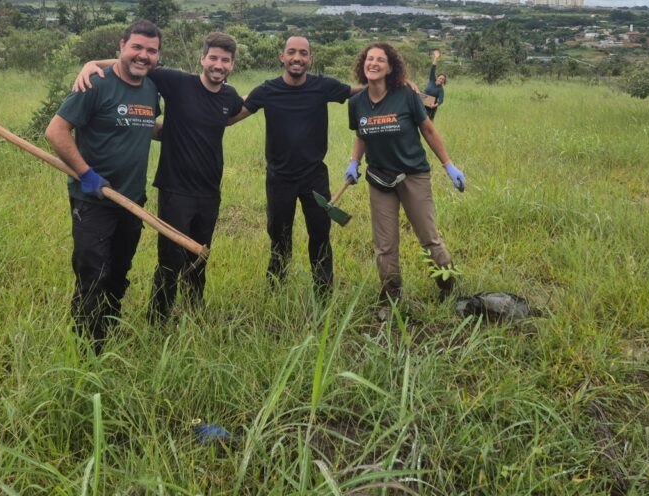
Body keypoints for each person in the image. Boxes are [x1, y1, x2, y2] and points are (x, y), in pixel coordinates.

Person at [73, 32, 243, 323]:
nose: (218, 64)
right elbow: (136, 62)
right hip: (175, 189)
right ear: (202, 59)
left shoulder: (230, 98)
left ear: (232, 65)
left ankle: (194, 310)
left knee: (200, 256)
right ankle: (158, 318)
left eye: (225, 60)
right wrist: (92, 62)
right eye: (213, 57)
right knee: (171, 259)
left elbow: (228, 117)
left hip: (210, 191)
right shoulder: (177, 83)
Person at [46, 20, 162, 353]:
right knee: (92, 275)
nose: (142, 56)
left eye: (151, 50)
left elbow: (144, 123)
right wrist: (87, 175)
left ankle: (107, 333)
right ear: (121, 45)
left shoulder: (152, 86)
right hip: (93, 200)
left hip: (132, 200)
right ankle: (85, 350)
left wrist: (173, 133)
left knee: (119, 272)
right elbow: (56, 132)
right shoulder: (95, 83)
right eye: (136, 47)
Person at [228, 35, 355, 297]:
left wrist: (397, 84)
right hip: (279, 179)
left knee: (320, 235)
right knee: (279, 237)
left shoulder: (324, 87)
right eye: (292, 52)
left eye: (303, 53)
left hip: (315, 178)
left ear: (310, 59)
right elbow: (233, 116)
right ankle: (276, 291)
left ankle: (323, 295)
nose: (297, 58)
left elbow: (359, 91)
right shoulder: (267, 90)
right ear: (282, 57)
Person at [345, 42, 467, 313]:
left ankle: (449, 288)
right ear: (362, 65)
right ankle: (391, 298)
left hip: (413, 174)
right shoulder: (356, 103)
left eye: (380, 60)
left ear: (390, 67)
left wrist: (448, 165)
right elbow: (361, 134)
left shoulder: (406, 95)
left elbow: (428, 130)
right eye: (369, 59)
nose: (373, 63)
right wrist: (354, 161)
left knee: (428, 236)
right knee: (385, 245)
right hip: (379, 179)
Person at [421, 49, 447, 121]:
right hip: (422, 102)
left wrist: (434, 105)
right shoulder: (432, 80)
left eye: (443, 79)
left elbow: (440, 101)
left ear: (444, 82)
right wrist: (436, 57)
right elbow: (433, 68)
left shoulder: (440, 89)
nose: (441, 80)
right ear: (437, 77)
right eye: (440, 78)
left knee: (427, 122)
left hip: (430, 107)